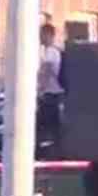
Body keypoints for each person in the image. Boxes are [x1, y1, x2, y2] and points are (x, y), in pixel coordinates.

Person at [37, 23, 65, 152]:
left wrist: (40, 90)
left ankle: (51, 150)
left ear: (49, 35)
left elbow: (47, 72)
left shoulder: (52, 53)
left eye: (42, 34)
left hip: (51, 94)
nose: (40, 37)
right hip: (51, 94)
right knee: (49, 124)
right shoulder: (48, 51)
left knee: (47, 124)